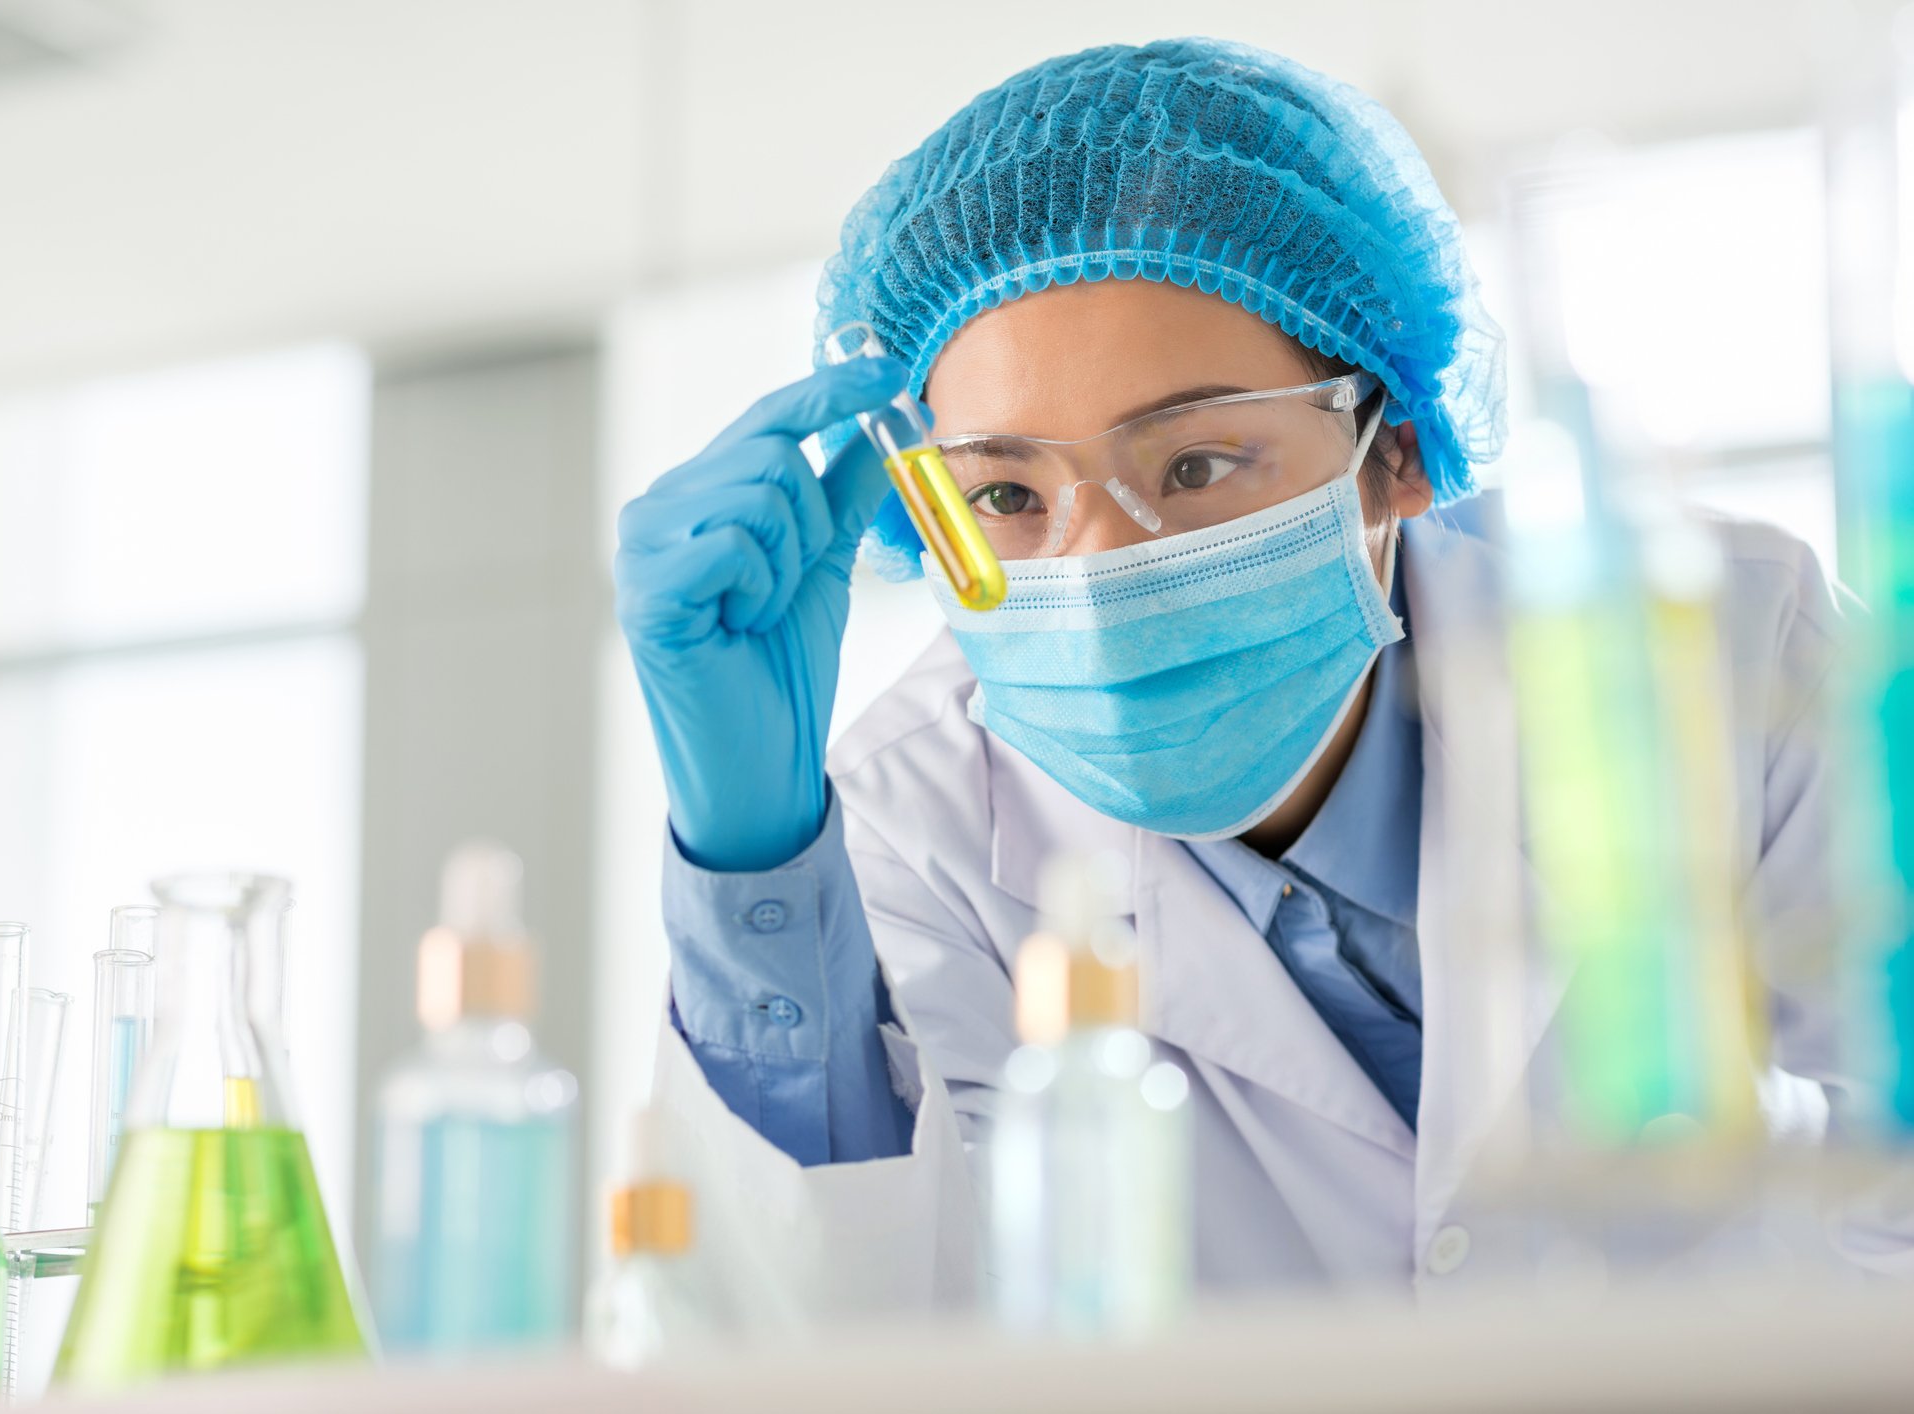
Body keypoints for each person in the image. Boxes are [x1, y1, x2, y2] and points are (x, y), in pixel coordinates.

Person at [613, 37, 1896, 1315]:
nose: (1103, 565)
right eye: (1007, 492)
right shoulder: (919, 830)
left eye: (1196, 464)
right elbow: (844, 1340)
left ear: (1395, 448)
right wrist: (752, 863)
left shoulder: (1712, 649)